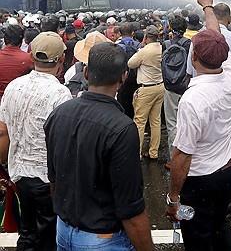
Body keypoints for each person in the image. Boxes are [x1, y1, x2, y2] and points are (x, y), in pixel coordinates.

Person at [44, 43, 154, 251]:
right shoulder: (122, 128)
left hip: (63, 229)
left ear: (85, 72)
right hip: (102, 238)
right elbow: (130, 208)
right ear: (123, 77)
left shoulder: (58, 114)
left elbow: (54, 179)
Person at [165, 0, 231, 251]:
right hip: (227, 173)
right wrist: (208, 7)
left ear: (194, 57)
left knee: (198, 236)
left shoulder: (192, 100)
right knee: (221, 225)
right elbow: (217, 35)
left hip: (198, 182)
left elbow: (182, 155)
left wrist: (174, 198)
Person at [0, 32, 72, 251]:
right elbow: (63, 142)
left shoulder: (14, 86)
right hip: (47, 179)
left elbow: (3, 131)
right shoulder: (60, 93)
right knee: (48, 237)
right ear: (61, 60)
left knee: (27, 232)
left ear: (31, 57)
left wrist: (3, 166)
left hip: (18, 174)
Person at [128, 25, 164, 159]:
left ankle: (136, 153)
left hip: (146, 89)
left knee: (140, 122)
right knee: (155, 121)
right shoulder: (161, 48)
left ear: (146, 37)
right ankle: (153, 152)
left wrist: (140, 48)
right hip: (160, 86)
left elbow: (131, 63)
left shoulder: (144, 51)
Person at [163, 16, 192, 170]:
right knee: (187, 122)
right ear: (185, 28)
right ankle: (188, 156)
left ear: (170, 27)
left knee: (172, 124)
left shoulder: (166, 44)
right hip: (186, 87)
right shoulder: (189, 44)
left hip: (170, 88)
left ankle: (174, 159)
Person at [0, 25, 33, 100]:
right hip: (18, 100)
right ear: (21, 40)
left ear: (5, 39)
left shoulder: (28, 58)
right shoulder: (28, 59)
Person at [117, 23, 141, 118]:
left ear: (120, 33)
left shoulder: (117, 47)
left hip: (122, 79)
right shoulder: (139, 45)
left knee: (123, 103)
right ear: (132, 33)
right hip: (137, 79)